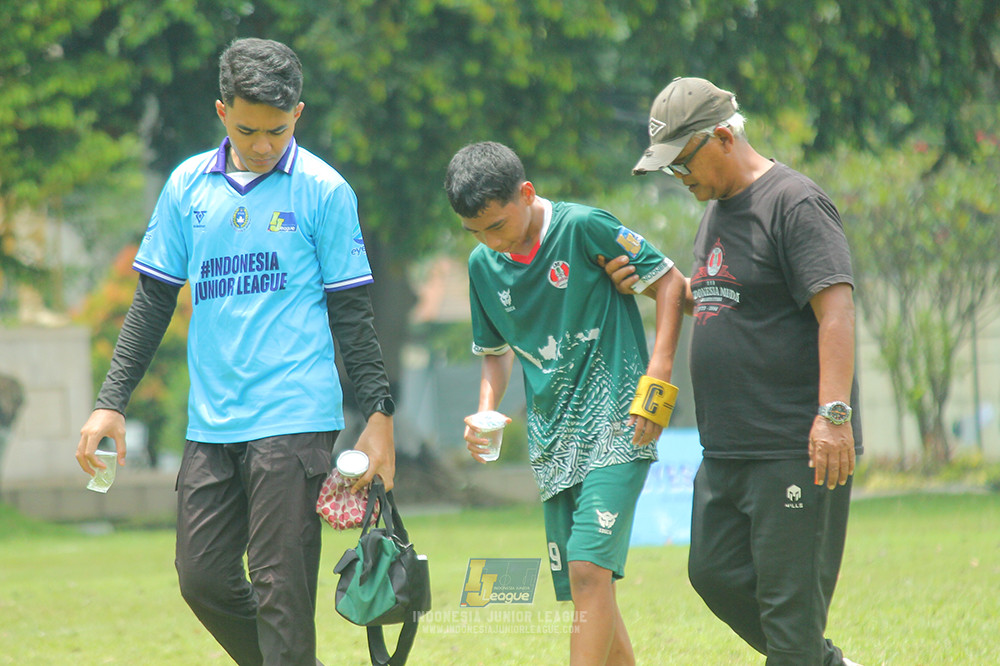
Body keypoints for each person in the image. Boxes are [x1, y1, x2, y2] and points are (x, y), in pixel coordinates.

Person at [75, 38, 396, 666]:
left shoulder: (324, 191)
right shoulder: (186, 187)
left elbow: (352, 317)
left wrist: (378, 415)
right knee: (202, 579)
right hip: (211, 423)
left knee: (281, 591)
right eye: (248, 129)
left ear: (297, 114)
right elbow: (152, 302)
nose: (263, 144)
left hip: (295, 419)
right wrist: (110, 402)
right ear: (222, 111)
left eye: (277, 130)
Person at [604, 77, 864, 666]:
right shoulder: (717, 208)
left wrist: (833, 415)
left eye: (682, 164)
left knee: (788, 611)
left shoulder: (794, 203)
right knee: (713, 574)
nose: (680, 179)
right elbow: (727, 296)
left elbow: (837, 310)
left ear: (722, 137)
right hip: (726, 448)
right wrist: (656, 286)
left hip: (792, 443)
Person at [444, 141, 686, 666]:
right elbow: (495, 353)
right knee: (587, 587)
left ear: (526, 194)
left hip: (622, 419)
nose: (491, 241)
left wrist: (658, 376)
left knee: (587, 570)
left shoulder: (582, 227)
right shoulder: (483, 265)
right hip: (553, 437)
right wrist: (487, 407)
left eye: (497, 224)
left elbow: (670, 282)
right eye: (476, 232)